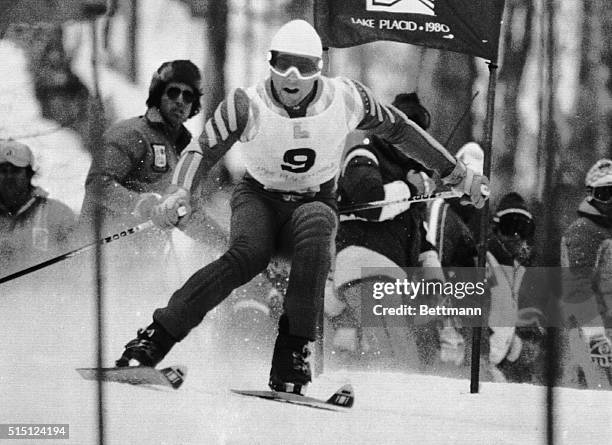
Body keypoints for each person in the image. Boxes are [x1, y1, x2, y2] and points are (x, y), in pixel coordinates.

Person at [115, 20, 489, 395]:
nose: (291, 77)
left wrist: (458, 175)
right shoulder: (248, 103)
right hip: (260, 197)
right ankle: (153, 340)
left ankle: (292, 357)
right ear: (270, 63)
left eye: (304, 67)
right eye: (281, 64)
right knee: (247, 255)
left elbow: (402, 131)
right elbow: (203, 149)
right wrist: (179, 190)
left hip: (314, 199)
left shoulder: (345, 98)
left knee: (317, 226)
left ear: (319, 70)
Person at [325, 91, 444, 368]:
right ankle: (382, 396)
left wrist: (433, 271)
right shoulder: (365, 152)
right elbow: (370, 203)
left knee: (403, 351)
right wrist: (410, 189)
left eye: (417, 133)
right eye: (405, 129)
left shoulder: (412, 172)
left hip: (392, 274)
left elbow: (419, 235)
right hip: (365, 263)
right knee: (393, 351)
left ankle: (379, 394)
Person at [486, 192, 548, 383]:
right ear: (496, 229)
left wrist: (517, 344)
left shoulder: (520, 271)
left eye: (523, 228)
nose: (516, 235)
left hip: (496, 364)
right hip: (477, 362)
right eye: (509, 226)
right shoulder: (484, 261)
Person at [560, 159, 612, 385]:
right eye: (605, 193)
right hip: (592, 332)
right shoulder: (585, 230)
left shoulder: (603, 231)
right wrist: (595, 335)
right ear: (591, 195)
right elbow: (577, 285)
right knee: (598, 399)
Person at [0, 140, 77, 277]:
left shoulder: (58, 214)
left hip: (46, 294)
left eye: (16, 170)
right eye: (3, 171)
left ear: (29, 174)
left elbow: (78, 267)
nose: (9, 177)